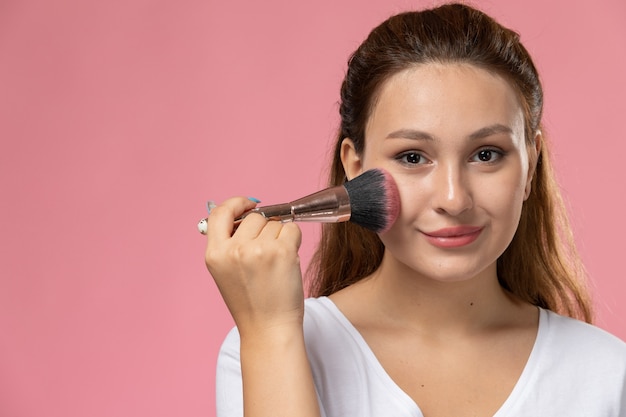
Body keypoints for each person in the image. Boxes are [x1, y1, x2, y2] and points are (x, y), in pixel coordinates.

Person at [205, 3, 626, 416]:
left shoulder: (606, 374)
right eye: (412, 157)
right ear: (356, 167)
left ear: (531, 164)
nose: (453, 199)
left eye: (486, 154)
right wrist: (272, 333)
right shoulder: (266, 345)